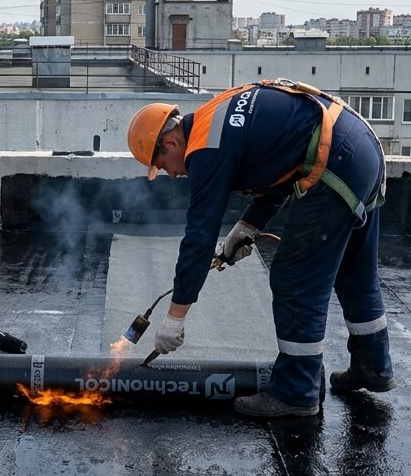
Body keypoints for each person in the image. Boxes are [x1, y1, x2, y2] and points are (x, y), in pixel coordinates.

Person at [126, 79, 393, 417]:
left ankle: (297, 392)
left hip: (335, 160)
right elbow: (278, 164)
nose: (171, 174)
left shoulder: (204, 149)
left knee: (294, 277)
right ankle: (374, 367)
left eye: (163, 165)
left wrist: (175, 318)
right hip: (360, 149)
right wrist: (247, 227)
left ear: (170, 141)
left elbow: (199, 238)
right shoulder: (212, 118)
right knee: (355, 272)